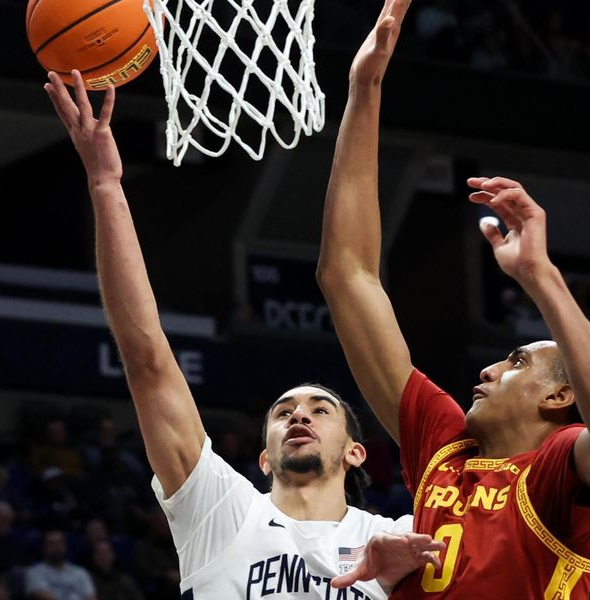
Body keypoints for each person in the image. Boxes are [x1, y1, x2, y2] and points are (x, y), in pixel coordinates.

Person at [43, 69, 441, 599]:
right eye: (283, 413)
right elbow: (147, 358)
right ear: (263, 458)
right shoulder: (221, 509)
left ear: (356, 453)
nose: (299, 414)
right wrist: (105, 184)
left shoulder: (395, 539)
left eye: (320, 410)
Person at [317, 0, 590, 596]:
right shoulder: (446, 449)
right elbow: (347, 276)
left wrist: (541, 277)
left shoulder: (559, 472)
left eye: (518, 361)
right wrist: (364, 90)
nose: (490, 367)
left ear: (562, 395)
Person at [24, 530, 96, 600]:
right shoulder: (35, 572)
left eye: (60, 543)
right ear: (44, 548)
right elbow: (43, 596)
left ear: (65, 547)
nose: (56, 548)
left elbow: (90, 597)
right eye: (51, 544)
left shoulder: (80, 572)